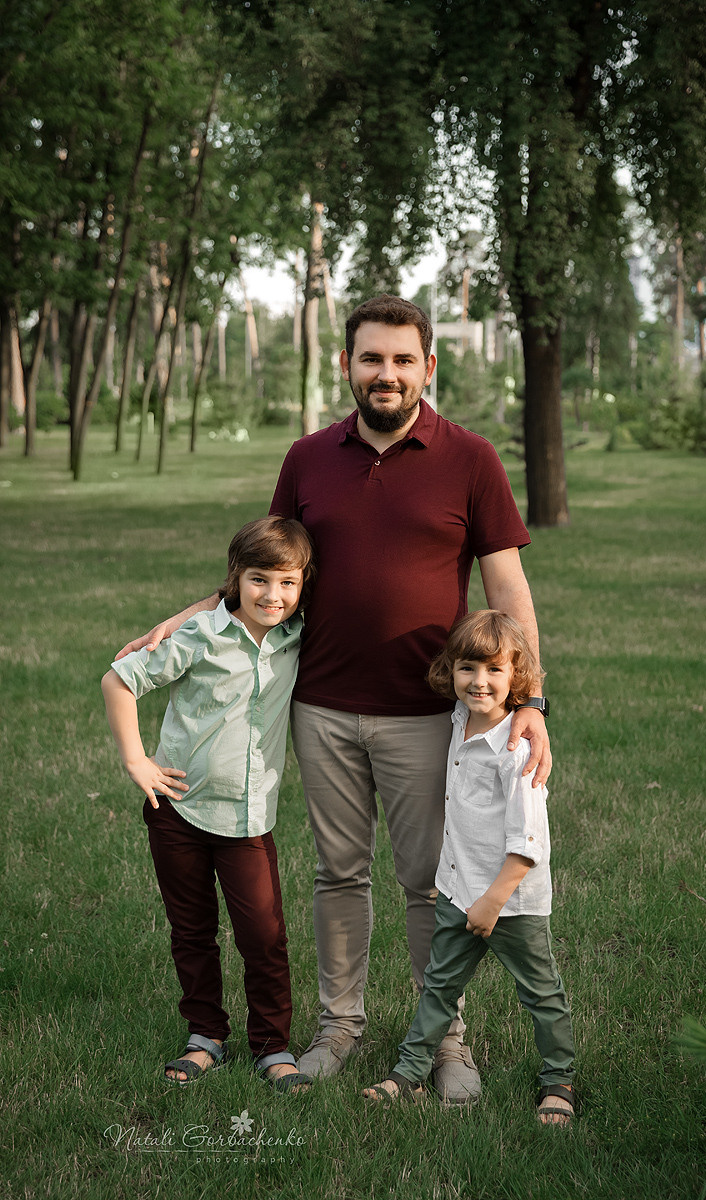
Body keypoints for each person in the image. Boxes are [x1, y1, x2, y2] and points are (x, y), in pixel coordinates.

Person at [115, 295, 552, 1105]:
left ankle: (443, 1041)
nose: (385, 374)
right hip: (320, 707)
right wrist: (194, 611)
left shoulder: (471, 459)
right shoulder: (308, 456)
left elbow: (506, 586)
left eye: (401, 359)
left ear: (429, 365)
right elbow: (270, 567)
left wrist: (531, 699)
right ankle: (339, 1028)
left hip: (429, 713)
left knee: (433, 880)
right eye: (370, 358)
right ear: (348, 365)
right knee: (340, 874)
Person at [102, 516, 315, 1090]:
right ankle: (206, 1035)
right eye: (259, 580)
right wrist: (135, 760)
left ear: (303, 584)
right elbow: (120, 681)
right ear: (235, 579)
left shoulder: (301, 635)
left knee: (264, 935)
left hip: (248, 818)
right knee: (192, 928)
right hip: (178, 812)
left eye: (288, 583)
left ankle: (272, 1044)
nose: (273, 595)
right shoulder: (201, 635)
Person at [363, 610, 575, 1125]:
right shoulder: (458, 721)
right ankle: (408, 1074)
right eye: (467, 668)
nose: (479, 682)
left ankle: (559, 1083)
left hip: (510, 902)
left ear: (517, 678)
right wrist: (465, 895)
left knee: (541, 993)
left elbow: (528, 844)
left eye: (495, 671)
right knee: (439, 988)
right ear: (451, 671)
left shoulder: (516, 751)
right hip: (458, 893)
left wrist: (492, 902)